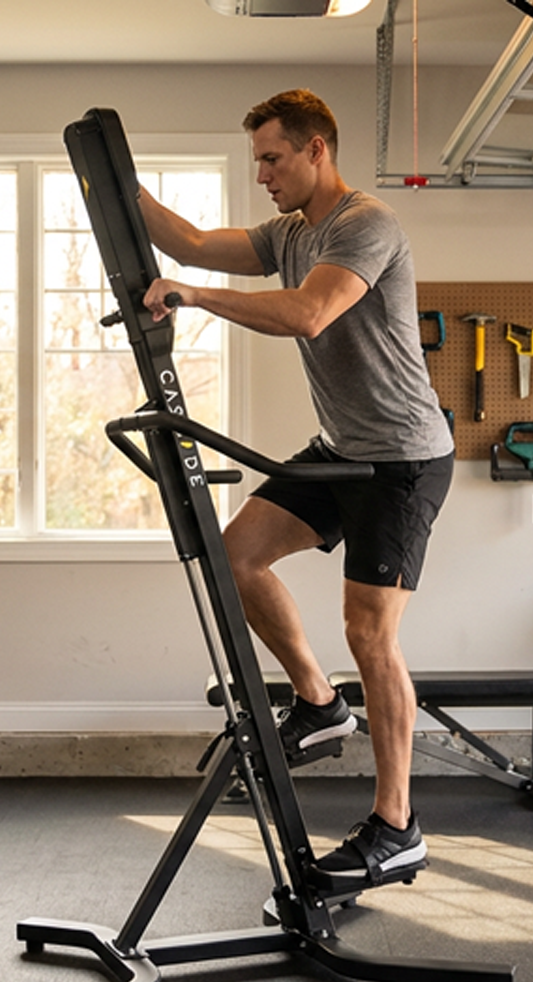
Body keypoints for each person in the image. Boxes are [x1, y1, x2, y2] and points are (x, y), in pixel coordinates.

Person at [138, 89, 454, 886]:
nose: (264, 176)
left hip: (401, 461)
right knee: (235, 555)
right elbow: (194, 239)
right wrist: (116, 185)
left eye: (273, 159)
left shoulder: (364, 224)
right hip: (341, 446)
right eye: (257, 162)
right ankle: (318, 704)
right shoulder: (288, 232)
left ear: (318, 149)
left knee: (370, 635)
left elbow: (312, 313)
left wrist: (195, 294)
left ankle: (397, 824)